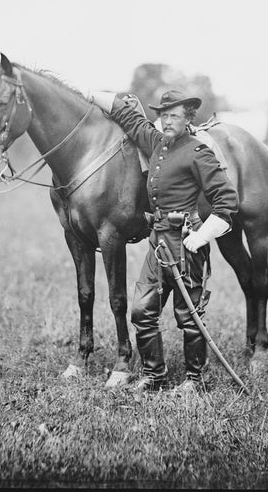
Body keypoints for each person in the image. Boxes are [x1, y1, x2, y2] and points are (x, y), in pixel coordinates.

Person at [88, 88, 239, 393]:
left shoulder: (198, 152)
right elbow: (127, 116)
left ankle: (195, 381)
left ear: (188, 119)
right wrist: (86, 92)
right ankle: (153, 375)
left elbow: (227, 202)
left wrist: (200, 238)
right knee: (142, 312)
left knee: (189, 317)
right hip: (158, 244)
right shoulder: (156, 142)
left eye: (174, 116)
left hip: (186, 244)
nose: (167, 121)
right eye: (164, 115)